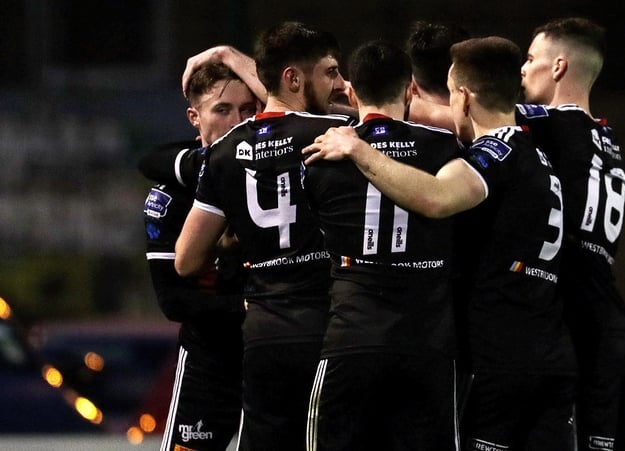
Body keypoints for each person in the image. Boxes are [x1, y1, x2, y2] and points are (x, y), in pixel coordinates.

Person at [303, 36, 577, 451]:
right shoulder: (536, 153)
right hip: (549, 348)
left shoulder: (491, 155)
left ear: (464, 98)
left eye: (450, 95)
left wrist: (359, 147)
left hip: (496, 353)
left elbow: (435, 197)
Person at [173, 21, 352, 451]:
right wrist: (234, 57)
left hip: (263, 330)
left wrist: (231, 241)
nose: (338, 85)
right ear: (291, 77)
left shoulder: (222, 153)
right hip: (326, 324)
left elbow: (185, 260)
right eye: (328, 73)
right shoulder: (334, 138)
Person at [301, 40, 462, 451]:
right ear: (410, 89)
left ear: (352, 94)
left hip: (352, 337)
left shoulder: (322, 156)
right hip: (428, 343)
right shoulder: (445, 149)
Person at [516, 17, 625, 451]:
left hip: (581, 331)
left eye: (531, 58)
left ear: (558, 67)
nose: (522, 69)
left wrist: (361, 109)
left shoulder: (554, 124)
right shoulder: (608, 138)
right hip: (615, 326)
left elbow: (468, 111)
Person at [141, 62, 259, 451]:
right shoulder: (170, 196)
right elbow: (174, 300)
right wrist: (254, 307)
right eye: (222, 110)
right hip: (210, 362)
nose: (238, 121)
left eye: (246, 109)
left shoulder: (278, 174)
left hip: (276, 354)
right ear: (195, 117)